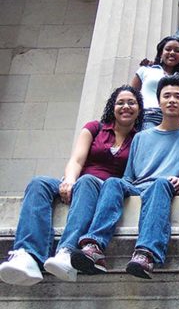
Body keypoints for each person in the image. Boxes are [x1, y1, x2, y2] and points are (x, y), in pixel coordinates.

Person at [0, 86, 143, 286]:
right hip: (78, 180)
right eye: (120, 102)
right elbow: (76, 160)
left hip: (105, 188)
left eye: (131, 102)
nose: (125, 106)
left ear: (139, 108)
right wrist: (69, 180)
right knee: (38, 183)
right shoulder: (95, 128)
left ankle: (67, 251)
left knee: (88, 181)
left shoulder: (140, 138)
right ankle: (28, 255)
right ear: (113, 106)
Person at [71, 76, 179, 279]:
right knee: (114, 182)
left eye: (178, 96)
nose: (172, 100)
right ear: (159, 102)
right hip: (138, 187)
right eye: (167, 96)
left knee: (159, 183)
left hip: (165, 188)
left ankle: (145, 254)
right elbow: (129, 177)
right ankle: (94, 246)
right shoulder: (141, 137)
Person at [131, 35, 179, 129]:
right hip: (148, 116)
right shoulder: (145, 70)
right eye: (168, 49)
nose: (172, 53)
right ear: (161, 53)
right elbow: (131, 94)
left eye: (177, 51)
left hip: (174, 118)